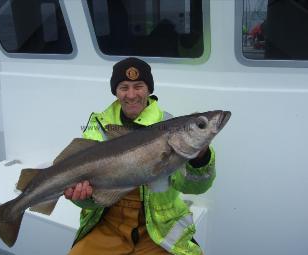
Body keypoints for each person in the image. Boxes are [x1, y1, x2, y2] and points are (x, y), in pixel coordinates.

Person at [65, 57, 215, 255]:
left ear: (149, 89)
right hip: (107, 223)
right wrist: (81, 198)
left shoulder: (171, 126)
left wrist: (200, 157)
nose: (131, 94)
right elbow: (92, 201)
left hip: (159, 227)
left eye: (139, 86)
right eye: (124, 87)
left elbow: (195, 187)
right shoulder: (96, 128)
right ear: (115, 92)